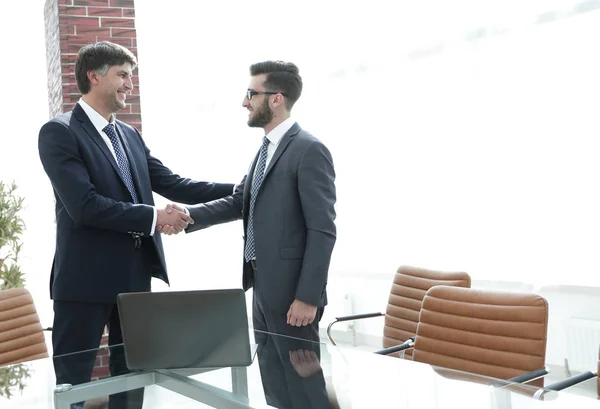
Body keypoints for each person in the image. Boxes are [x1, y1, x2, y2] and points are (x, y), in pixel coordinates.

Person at [38, 41, 234, 408]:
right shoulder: (59, 132)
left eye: (132, 76)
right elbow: (84, 206)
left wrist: (246, 187)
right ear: (94, 76)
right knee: (73, 385)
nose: (130, 84)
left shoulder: (129, 135)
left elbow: (175, 184)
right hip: (83, 282)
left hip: (134, 278)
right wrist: (156, 218)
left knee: (132, 380)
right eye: (123, 75)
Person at [181, 60, 336, 407]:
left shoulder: (308, 149)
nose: (244, 101)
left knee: (305, 387)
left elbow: (322, 230)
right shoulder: (265, 149)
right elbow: (241, 202)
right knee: (276, 386)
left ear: (277, 98)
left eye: (251, 93)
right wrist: (188, 217)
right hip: (262, 287)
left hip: (295, 296)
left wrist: (308, 297)